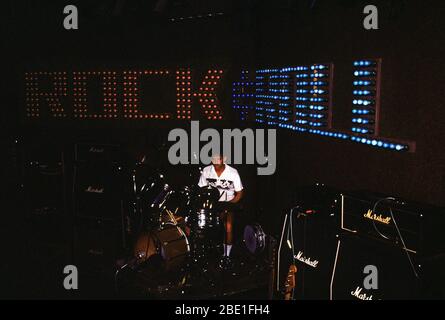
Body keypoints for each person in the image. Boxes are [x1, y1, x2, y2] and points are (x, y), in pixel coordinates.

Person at [198, 154, 243, 262]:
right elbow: (201, 190)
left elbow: (240, 193)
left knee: (228, 227)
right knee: (199, 225)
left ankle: (226, 255)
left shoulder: (233, 172)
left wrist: (228, 206)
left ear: (224, 159)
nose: (215, 161)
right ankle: (203, 252)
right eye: (213, 159)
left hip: (228, 203)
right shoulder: (206, 170)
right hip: (211, 204)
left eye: (218, 159)